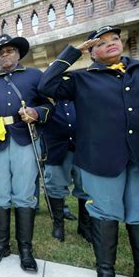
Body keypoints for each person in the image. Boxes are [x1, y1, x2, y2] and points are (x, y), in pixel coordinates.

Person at [38, 25, 139, 277]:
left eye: (114, 39)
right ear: (92, 53)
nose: (110, 44)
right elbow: (45, 84)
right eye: (100, 43)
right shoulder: (82, 79)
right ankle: (106, 272)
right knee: (105, 213)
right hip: (101, 159)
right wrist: (73, 52)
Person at [0, 34, 54, 273]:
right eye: (1, 53)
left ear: (18, 54)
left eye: (10, 51)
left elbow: (49, 104)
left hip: (24, 139)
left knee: (24, 194)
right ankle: (1, 245)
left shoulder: (35, 75)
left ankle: (25, 249)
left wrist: (36, 112)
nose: (5, 55)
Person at [42, 100, 91, 243]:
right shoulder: (47, 93)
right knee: (55, 186)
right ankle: (58, 225)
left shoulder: (81, 88)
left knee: (86, 188)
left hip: (83, 147)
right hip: (56, 148)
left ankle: (84, 227)